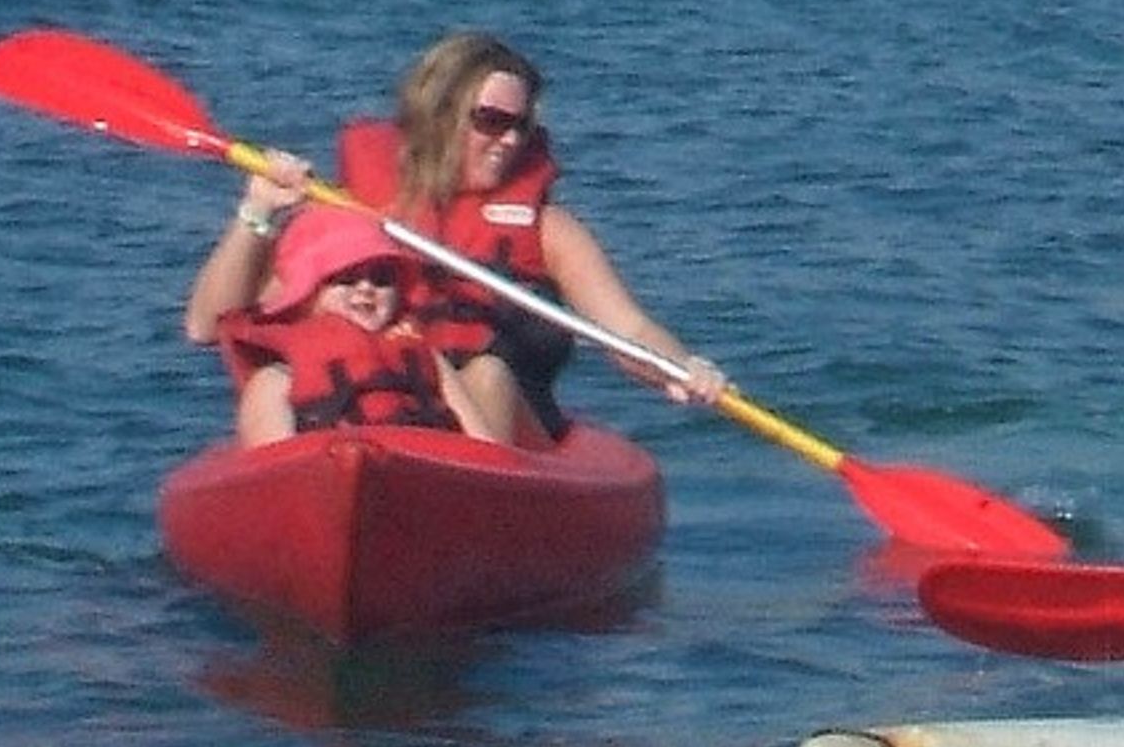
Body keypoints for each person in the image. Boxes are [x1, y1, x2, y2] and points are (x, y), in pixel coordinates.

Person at [326, 31, 723, 439]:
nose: (510, 140)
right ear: (439, 114)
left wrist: (683, 368)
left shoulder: (549, 231)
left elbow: (630, 331)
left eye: (522, 126)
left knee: (487, 375)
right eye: (492, 122)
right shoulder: (355, 210)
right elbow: (269, 305)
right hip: (390, 414)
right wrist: (260, 213)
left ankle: (470, 488)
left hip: (516, 432)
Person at [187, 196, 518, 448]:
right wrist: (260, 206)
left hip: (426, 485)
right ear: (307, 294)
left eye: (381, 277)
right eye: (344, 278)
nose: (366, 289)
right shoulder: (274, 383)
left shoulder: (427, 359)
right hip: (324, 487)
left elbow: (484, 450)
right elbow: (273, 468)